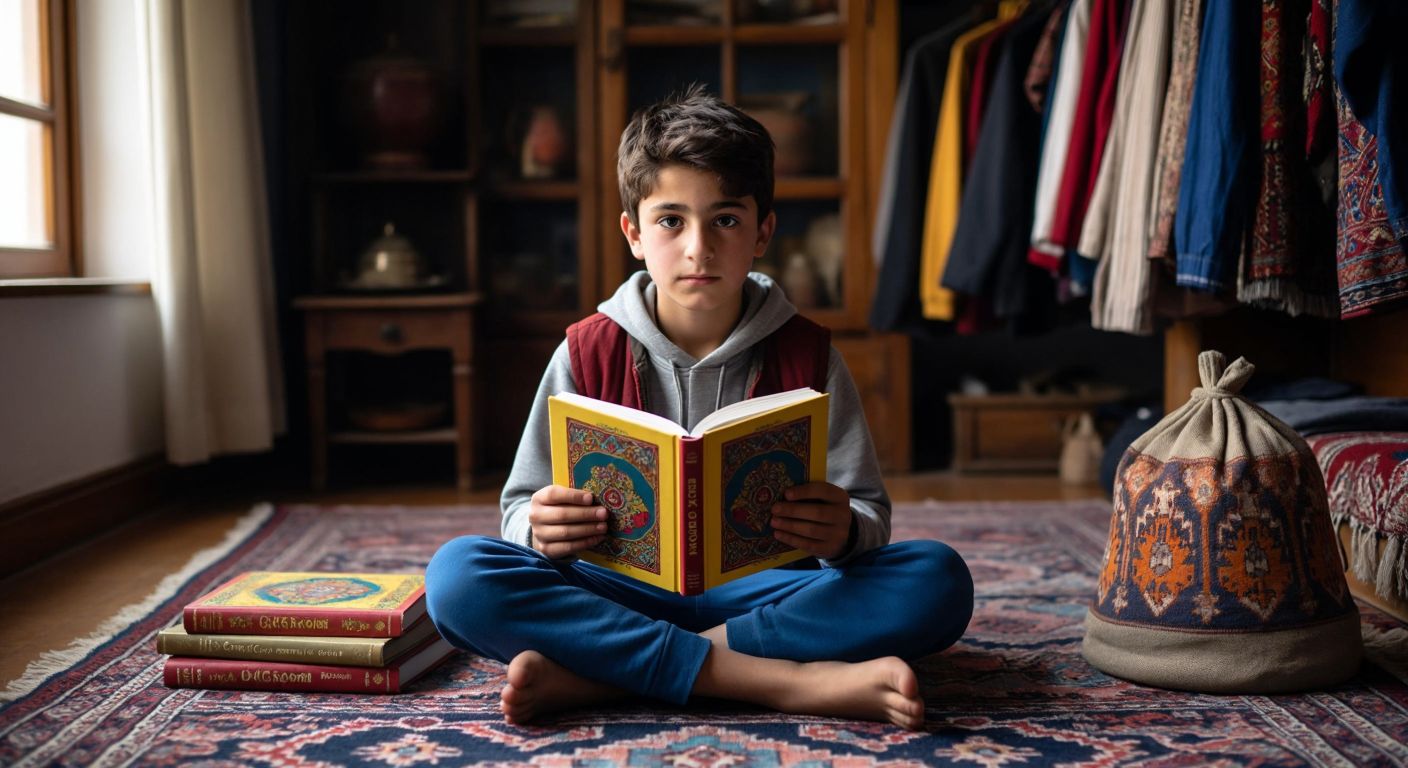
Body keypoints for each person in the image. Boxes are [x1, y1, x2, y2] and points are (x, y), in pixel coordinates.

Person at [425, 85, 973, 730]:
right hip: (618, 592)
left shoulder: (811, 357)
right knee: (458, 575)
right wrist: (537, 529)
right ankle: (783, 683)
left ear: (763, 231)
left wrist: (845, 532)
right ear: (633, 232)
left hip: (766, 599)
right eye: (670, 220)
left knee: (936, 579)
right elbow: (520, 508)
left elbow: (867, 515)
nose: (698, 248)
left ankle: (597, 677)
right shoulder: (584, 351)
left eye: (727, 220)